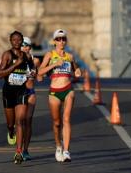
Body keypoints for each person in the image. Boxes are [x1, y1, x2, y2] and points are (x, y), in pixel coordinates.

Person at [38, 29, 82, 162]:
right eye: (58, 39)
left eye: (63, 39)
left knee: (66, 120)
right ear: (54, 41)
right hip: (54, 92)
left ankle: (67, 151)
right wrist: (54, 65)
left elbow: (76, 70)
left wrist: (78, 72)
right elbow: (39, 72)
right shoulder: (49, 55)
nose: (61, 41)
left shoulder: (70, 56)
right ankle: (58, 146)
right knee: (57, 123)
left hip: (68, 89)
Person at [0, 31, 34, 164]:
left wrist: (31, 75)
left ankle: (18, 152)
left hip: (21, 91)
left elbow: (32, 71)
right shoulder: (7, 55)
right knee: (10, 123)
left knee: (20, 121)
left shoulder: (26, 56)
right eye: (14, 40)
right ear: (11, 41)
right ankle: (10, 132)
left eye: (19, 40)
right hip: (8, 92)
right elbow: (0, 74)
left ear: (22, 41)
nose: (17, 42)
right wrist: (15, 65)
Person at [21, 36, 42, 161]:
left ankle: (25, 150)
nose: (25, 47)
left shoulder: (36, 61)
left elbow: (39, 76)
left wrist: (39, 76)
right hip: (17, 93)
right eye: (23, 45)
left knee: (28, 121)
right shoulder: (14, 60)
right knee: (19, 121)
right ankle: (12, 131)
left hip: (30, 92)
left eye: (27, 45)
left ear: (30, 47)